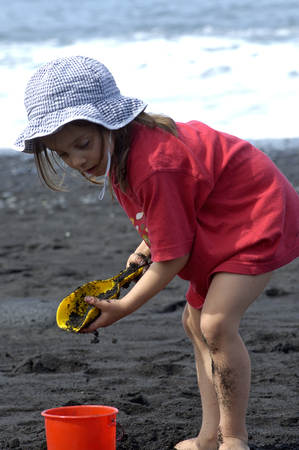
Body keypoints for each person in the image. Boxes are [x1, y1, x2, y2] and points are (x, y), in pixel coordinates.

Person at [14, 55, 299, 450]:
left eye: (81, 145)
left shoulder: (153, 164)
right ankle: (208, 437)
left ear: (109, 122)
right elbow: (174, 207)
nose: (77, 161)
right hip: (214, 214)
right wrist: (149, 240)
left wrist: (124, 305)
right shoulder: (119, 154)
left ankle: (234, 438)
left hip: (255, 214)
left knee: (216, 325)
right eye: (63, 155)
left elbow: (173, 258)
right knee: (194, 325)